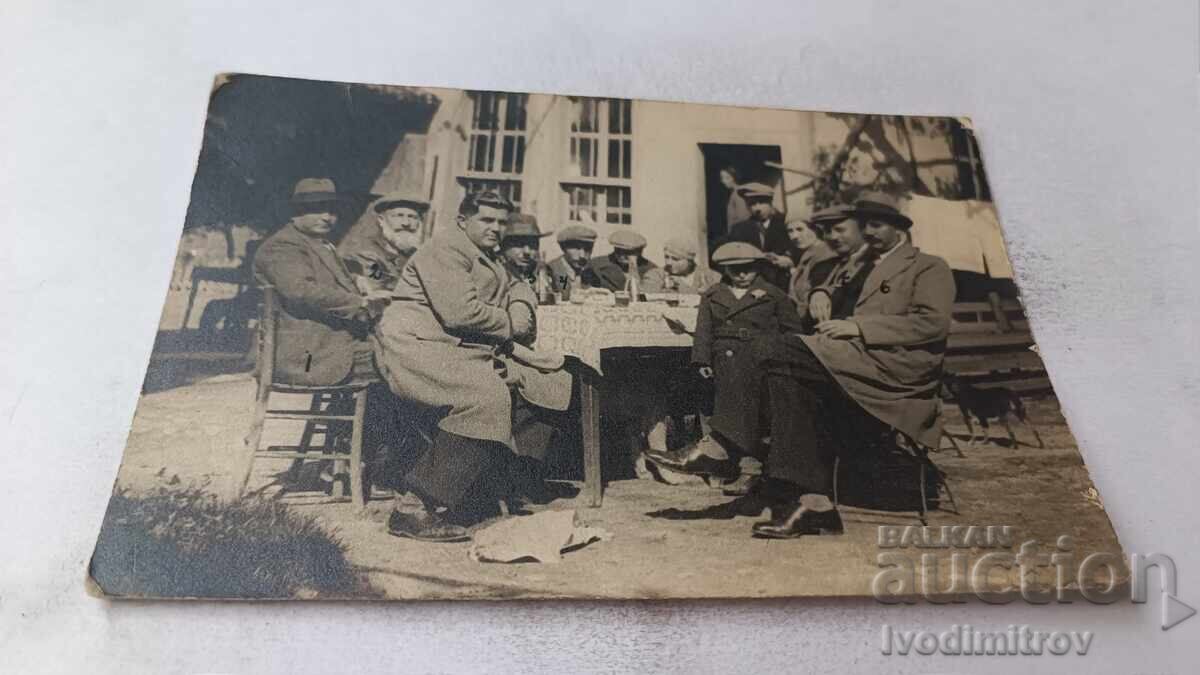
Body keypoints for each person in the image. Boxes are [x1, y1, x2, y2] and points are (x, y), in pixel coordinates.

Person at [750, 192, 955, 538]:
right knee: (786, 379)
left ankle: (729, 446)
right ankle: (814, 503)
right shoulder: (860, 262)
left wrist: (859, 327)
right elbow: (834, 283)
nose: (869, 232)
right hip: (848, 362)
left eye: (877, 224)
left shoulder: (928, 266)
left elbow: (932, 324)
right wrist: (821, 293)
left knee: (772, 349)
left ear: (899, 228)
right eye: (865, 225)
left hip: (893, 372)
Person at [372, 191, 573, 542]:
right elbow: (460, 312)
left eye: (500, 222)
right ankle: (414, 507)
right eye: (487, 220)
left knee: (546, 379)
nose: (496, 228)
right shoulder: (445, 250)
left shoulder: (486, 255)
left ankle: (499, 484)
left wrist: (521, 306)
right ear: (463, 221)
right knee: (485, 396)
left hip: (458, 347)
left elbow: (515, 285)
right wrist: (513, 324)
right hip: (417, 346)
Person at [646, 242, 803, 492]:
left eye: (748, 269)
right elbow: (704, 332)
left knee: (753, 412)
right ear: (725, 270)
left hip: (759, 359)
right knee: (720, 405)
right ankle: (725, 462)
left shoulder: (773, 295)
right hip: (722, 359)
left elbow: (792, 331)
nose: (742, 275)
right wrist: (702, 360)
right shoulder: (713, 294)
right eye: (734, 269)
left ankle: (743, 466)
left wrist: (777, 355)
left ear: (758, 268)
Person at [253, 178, 392, 386]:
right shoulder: (282, 246)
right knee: (403, 363)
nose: (327, 217)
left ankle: (360, 417)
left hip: (330, 342)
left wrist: (357, 281)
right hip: (308, 354)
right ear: (295, 213)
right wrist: (361, 302)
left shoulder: (316, 243)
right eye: (317, 210)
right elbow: (301, 290)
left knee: (406, 353)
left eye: (332, 210)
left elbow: (324, 278)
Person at [338, 190, 429, 293]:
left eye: (412, 217)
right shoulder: (366, 252)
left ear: (420, 222)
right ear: (381, 220)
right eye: (399, 216)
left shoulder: (416, 254)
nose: (406, 223)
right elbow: (378, 291)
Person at [803, 207, 874, 329]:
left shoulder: (877, 264)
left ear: (862, 230)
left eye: (840, 230)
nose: (833, 237)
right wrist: (817, 292)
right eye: (827, 231)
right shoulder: (822, 266)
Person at [722, 182, 793, 289]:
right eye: (751, 204)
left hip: (783, 284)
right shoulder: (739, 230)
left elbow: (800, 252)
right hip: (751, 286)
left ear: (770, 203)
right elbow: (730, 257)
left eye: (761, 202)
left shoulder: (787, 225)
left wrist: (790, 261)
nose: (756, 208)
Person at [785, 206, 844, 318]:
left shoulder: (826, 254)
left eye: (800, 229)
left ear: (815, 229)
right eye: (790, 231)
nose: (794, 236)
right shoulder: (807, 254)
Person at [580, 230, 662, 292]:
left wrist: (633, 270)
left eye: (628, 252)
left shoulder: (651, 270)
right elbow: (585, 291)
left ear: (640, 252)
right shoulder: (596, 265)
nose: (622, 255)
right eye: (618, 251)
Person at [644, 236, 722, 294]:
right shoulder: (656, 276)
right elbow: (648, 298)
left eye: (675, 259)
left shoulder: (711, 277)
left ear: (689, 261)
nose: (668, 262)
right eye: (666, 257)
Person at [546, 225, 596, 294]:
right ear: (563, 248)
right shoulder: (551, 270)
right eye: (577, 248)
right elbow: (563, 292)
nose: (582, 255)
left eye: (587, 249)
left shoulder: (591, 270)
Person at [720, 166, 751, 232]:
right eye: (722, 178)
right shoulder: (732, 194)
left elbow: (743, 217)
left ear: (734, 178)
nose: (723, 181)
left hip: (740, 233)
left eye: (727, 178)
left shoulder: (738, 193)